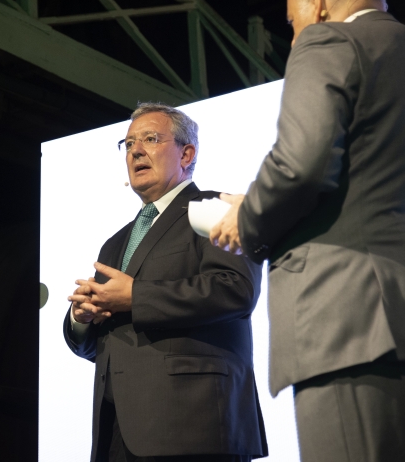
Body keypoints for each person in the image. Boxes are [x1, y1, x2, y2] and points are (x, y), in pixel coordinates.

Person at [210, 0, 405, 461]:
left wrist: (246, 215)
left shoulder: (329, 40)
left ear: (315, 3)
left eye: (292, 27)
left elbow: (301, 166)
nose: (295, 43)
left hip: (355, 325)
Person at [64, 103, 268, 462]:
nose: (136, 150)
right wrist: (82, 320)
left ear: (186, 153)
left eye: (150, 139)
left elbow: (235, 289)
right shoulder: (115, 243)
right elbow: (105, 345)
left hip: (194, 422)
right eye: (127, 144)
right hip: (117, 430)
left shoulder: (218, 209)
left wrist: (135, 296)